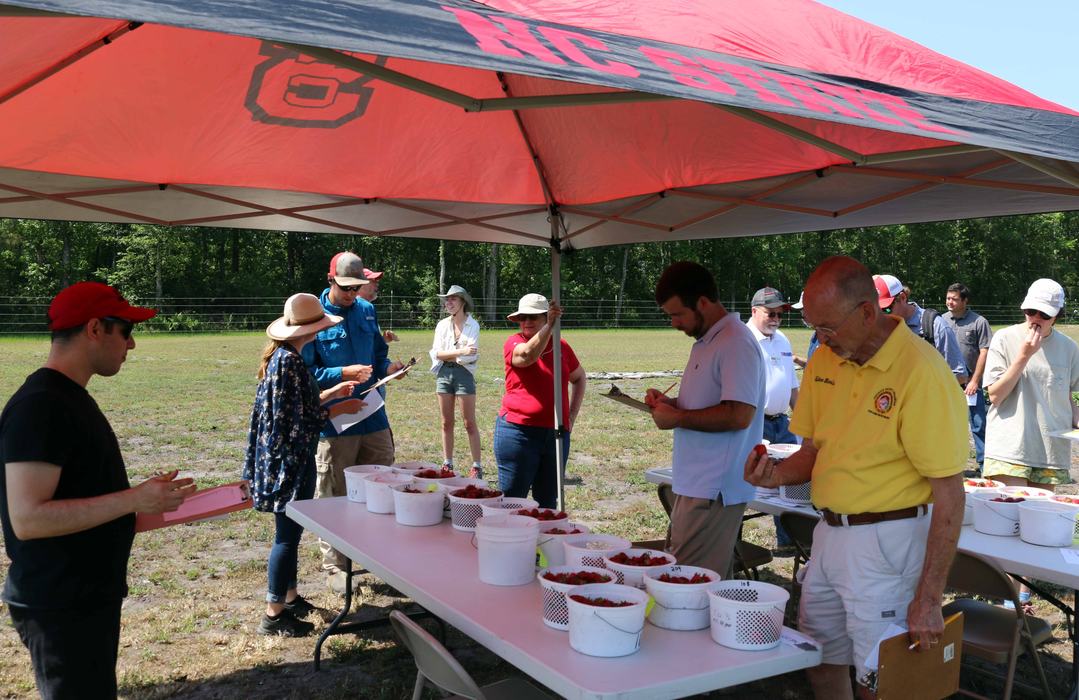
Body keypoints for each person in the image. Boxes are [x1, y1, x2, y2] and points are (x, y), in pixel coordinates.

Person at [745, 256, 967, 698]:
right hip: (828, 532)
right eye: (814, 328)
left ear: (868, 311)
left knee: (879, 677)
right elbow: (813, 450)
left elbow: (951, 494)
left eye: (827, 327)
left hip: (889, 541)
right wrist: (774, 476)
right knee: (821, 658)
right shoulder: (827, 359)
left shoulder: (920, 371)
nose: (820, 340)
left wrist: (927, 596)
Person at [0, 281, 196, 699]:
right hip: (60, 603)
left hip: (82, 596)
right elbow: (28, 518)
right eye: (125, 330)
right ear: (94, 329)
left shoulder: (67, 397)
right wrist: (132, 499)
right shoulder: (42, 405)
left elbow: (80, 495)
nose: (132, 344)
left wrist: (154, 505)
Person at [243, 293, 364, 637]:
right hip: (290, 462)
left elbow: (297, 405)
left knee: (291, 534)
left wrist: (333, 393)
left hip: (286, 459)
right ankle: (274, 612)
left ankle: (290, 597)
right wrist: (336, 410)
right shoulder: (290, 362)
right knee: (286, 536)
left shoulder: (285, 358)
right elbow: (294, 421)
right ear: (310, 329)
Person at [645, 262, 765, 578]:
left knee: (691, 584)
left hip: (714, 488)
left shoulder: (734, 342)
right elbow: (714, 403)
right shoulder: (709, 340)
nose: (674, 323)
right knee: (686, 578)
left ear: (702, 302)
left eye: (677, 314)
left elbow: (740, 414)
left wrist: (679, 416)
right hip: (699, 485)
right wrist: (672, 405)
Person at [304, 251, 402, 593]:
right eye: (345, 287)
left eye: (356, 287)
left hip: (373, 415)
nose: (351, 294)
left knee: (381, 488)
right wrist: (341, 373)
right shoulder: (312, 316)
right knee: (335, 493)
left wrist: (389, 369)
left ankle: (375, 558)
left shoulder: (366, 310)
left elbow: (377, 354)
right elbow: (306, 373)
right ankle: (336, 568)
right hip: (334, 422)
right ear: (330, 280)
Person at [983, 279, 1079, 490]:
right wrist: (1024, 355)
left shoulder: (1069, 348)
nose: (1035, 318)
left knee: (1040, 520)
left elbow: (1066, 394)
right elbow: (995, 396)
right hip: (1010, 447)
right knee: (1008, 516)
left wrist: (1076, 417)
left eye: (1044, 314)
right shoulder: (1004, 338)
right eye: (1030, 310)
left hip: (1050, 449)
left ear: (1057, 316)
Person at [494, 293, 586, 508]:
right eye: (523, 317)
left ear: (546, 317)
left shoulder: (562, 346)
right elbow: (526, 357)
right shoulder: (514, 342)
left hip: (556, 434)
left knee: (548, 502)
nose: (527, 322)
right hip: (518, 433)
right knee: (512, 501)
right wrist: (550, 328)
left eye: (534, 317)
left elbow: (579, 377)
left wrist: (570, 416)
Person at [746, 286, 801, 548]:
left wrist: (804, 422)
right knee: (745, 483)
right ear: (754, 310)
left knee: (792, 483)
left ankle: (789, 542)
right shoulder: (743, 341)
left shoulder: (783, 340)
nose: (776, 319)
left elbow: (791, 385)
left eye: (780, 314)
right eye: (771, 313)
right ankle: (733, 543)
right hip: (754, 424)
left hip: (782, 424)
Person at [430, 285, 483, 478]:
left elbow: (471, 357)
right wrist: (460, 352)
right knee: (446, 422)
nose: (448, 302)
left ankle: (476, 466)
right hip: (443, 374)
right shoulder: (442, 325)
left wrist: (452, 356)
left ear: (462, 302)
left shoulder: (473, 325)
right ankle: (447, 463)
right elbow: (437, 354)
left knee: (469, 422)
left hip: (464, 374)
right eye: (447, 299)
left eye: (453, 299)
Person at [874, 274, 967, 383]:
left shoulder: (935, 326)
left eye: (886, 309)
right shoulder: (876, 329)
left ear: (903, 298)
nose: (881, 316)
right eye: (876, 310)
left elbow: (960, 375)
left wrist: (921, 385)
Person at [944, 283, 993, 476]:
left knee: (978, 424)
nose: (950, 302)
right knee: (947, 425)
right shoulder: (941, 320)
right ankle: (949, 466)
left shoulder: (979, 322)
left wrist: (974, 380)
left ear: (965, 301)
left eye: (954, 299)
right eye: (948, 298)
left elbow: (985, 351)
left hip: (971, 385)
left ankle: (984, 467)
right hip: (947, 384)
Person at [357, 266, 398, 343]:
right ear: (360, 284)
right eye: (373, 281)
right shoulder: (357, 308)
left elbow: (367, 344)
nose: (377, 284)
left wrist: (382, 340)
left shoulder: (367, 308)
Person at [791, 291, 819, 368]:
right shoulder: (816, 336)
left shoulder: (833, 339)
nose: (803, 317)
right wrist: (796, 359)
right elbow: (812, 365)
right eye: (802, 312)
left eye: (806, 311)